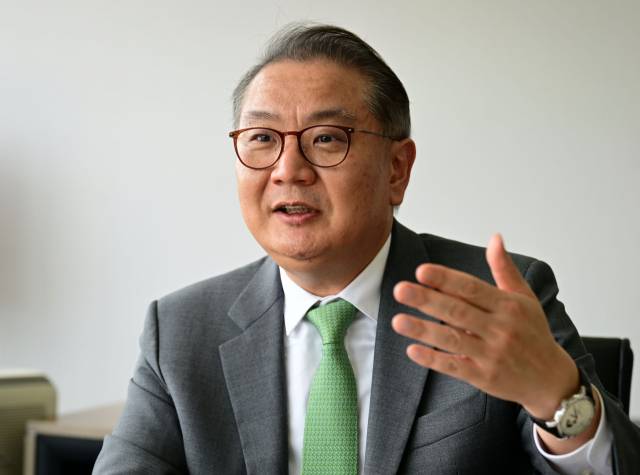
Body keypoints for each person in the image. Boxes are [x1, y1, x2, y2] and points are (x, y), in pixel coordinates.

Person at [93, 24, 640, 474]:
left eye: (327, 138)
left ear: (397, 169)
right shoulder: (181, 331)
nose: (288, 170)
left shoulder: (493, 298)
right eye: (262, 139)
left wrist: (557, 398)